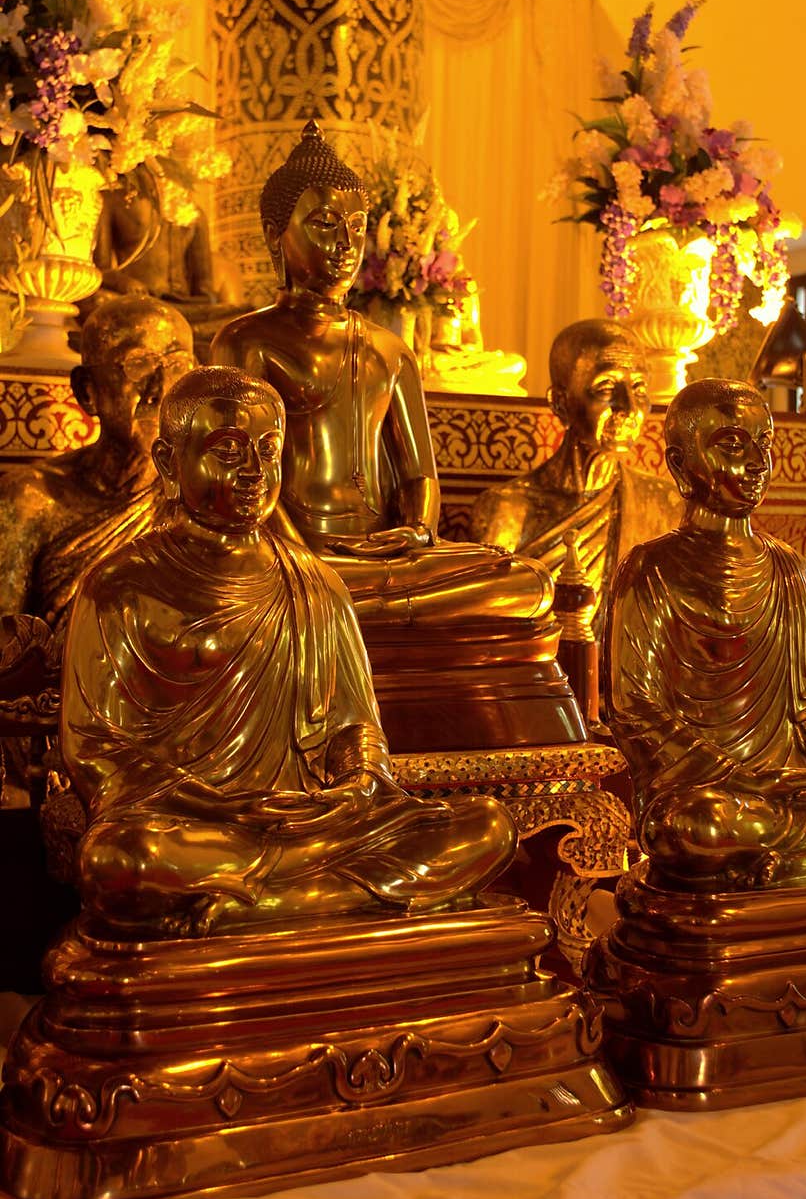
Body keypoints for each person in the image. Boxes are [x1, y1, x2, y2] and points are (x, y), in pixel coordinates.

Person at [61, 366, 517, 937]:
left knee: (488, 826)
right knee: (122, 861)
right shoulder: (121, 584)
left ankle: (266, 904)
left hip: (315, 823)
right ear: (169, 463)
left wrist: (357, 785)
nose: (254, 472)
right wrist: (219, 807)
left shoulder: (313, 580)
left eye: (268, 450)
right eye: (228, 451)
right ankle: (326, 896)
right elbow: (97, 752)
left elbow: (356, 723)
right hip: (197, 825)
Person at [210, 119, 552, 628]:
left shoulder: (389, 350)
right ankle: (341, 598)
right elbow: (236, 472)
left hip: (388, 559)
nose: (346, 244)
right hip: (288, 551)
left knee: (526, 583)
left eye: (356, 226)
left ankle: (359, 600)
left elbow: (420, 475)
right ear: (274, 237)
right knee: (290, 586)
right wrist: (302, 558)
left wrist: (416, 530)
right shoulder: (246, 342)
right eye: (324, 224)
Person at [605, 376, 806, 890]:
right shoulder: (650, 569)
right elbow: (631, 707)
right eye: (732, 444)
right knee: (693, 829)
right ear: (680, 464)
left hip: (798, 789)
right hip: (712, 795)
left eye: (764, 444)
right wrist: (738, 774)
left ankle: (783, 861)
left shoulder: (792, 571)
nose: (756, 462)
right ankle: (803, 858)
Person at [470, 319, 680, 648]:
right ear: (560, 402)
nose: (627, 408)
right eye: (606, 390)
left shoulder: (664, 505)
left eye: (638, 388)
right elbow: (488, 639)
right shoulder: (507, 511)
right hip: (538, 687)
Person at [0, 295, 194, 628]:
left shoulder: (207, 497)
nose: (160, 390)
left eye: (178, 367)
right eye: (139, 365)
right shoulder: (31, 500)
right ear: (87, 391)